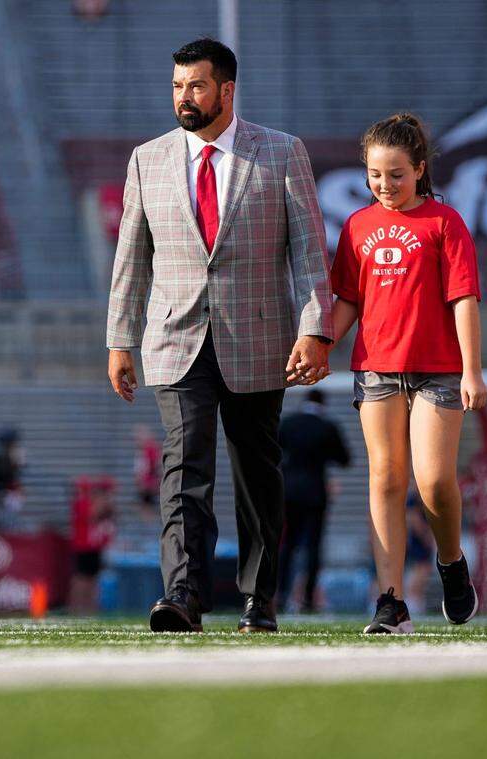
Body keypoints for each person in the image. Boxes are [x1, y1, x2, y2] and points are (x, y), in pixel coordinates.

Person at [106, 38, 333, 633]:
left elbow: (310, 253)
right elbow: (132, 258)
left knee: (257, 473)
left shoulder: (282, 153)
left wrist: (316, 329)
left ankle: (260, 599)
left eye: (197, 86)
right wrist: (119, 339)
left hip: (261, 339)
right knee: (184, 466)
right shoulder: (146, 159)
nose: (185, 97)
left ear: (227, 90)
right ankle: (182, 594)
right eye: (178, 86)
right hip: (175, 338)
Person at [330, 112, 485, 634]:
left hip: (439, 371)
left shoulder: (445, 223)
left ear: (420, 170)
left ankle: (451, 563)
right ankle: (390, 602)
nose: (385, 185)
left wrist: (473, 371)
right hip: (376, 370)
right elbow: (348, 300)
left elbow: (463, 299)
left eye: (396, 174)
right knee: (386, 477)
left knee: (435, 480)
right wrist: (319, 342)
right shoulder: (356, 226)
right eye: (375, 175)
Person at [276, 389, 351, 613]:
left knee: (287, 546)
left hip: (288, 492)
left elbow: (274, 453)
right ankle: (308, 598)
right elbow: (344, 459)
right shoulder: (327, 427)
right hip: (316, 493)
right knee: (313, 547)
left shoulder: (288, 423)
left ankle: (281, 595)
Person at [69, 478, 116, 614]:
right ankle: (77, 608)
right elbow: (93, 515)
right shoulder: (82, 503)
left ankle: (90, 608)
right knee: (81, 579)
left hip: (93, 547)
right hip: (83, 547)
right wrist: (105, 502)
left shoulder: (89, 503)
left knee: (93, 579)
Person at [132, 425, 161, 522]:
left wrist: (152, 482)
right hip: (146, 483)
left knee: (148, 509)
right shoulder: (144, 449)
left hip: (149, 483)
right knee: (144, 508)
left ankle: (150, 529)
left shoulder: (150, 449)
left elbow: (154, 466)